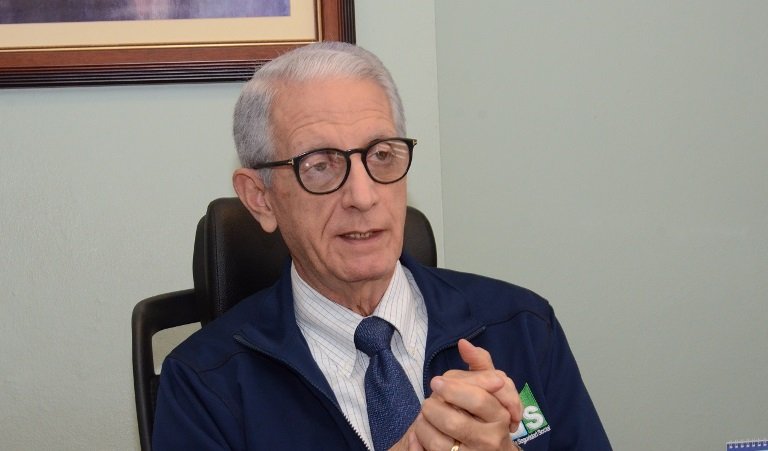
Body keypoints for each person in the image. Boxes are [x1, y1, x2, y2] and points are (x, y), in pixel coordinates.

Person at [152, 41, 611, 450]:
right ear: (260, 198)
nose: (363, 196)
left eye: (381, 155)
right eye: (320, 165)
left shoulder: (522, 327)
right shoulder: (202, 384)